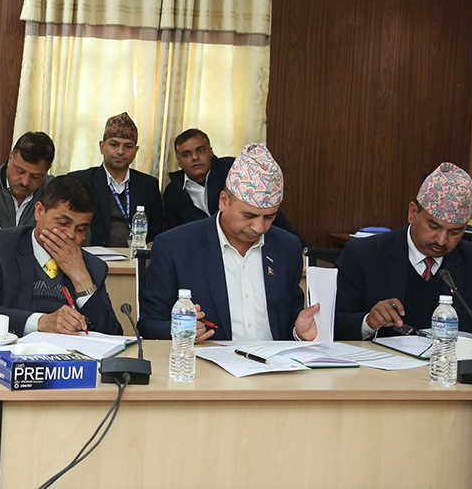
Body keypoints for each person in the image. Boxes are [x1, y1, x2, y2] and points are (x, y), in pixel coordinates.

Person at [334, 163, 472, 346]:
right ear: (413, 213)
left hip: (450, 371)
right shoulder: (363, 254)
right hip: (381, 370)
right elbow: (333, 323)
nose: (441, 240)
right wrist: (368, 322)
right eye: (433, 226)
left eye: (455, 232)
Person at [139, 143, 319, 342]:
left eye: (269, 217)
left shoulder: (287, 246)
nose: (259, 227)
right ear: (224, 201)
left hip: (273, 359)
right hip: (207, 360)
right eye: (249, 215)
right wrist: (180, 330)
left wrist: (299, 333)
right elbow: (149, 324)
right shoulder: (176, 246)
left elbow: (289, 322)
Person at [0, 175, 122, 336]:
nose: (70, 235)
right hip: (13, 348)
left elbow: (112, 335)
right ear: (39, 211)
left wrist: (80, 278)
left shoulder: (92, 266)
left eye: (80, 229)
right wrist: (40, 322)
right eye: (63, 223)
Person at [161, 129, 300, 237]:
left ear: (211, 152)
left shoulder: (232, 171)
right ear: (179, 162)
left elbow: (263, 210)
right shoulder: (172, 192)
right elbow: (176, 234)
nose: (195, 157)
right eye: (186, 154)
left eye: (201, 150)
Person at [66, 112, 163, 246]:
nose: (120, 151)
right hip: (91, 255)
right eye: (114, 145)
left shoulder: (148, 185)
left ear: (136, 151)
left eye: (128, 146)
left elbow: (157, 230)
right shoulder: (80, 181)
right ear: (102, 147)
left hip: (135, 256)